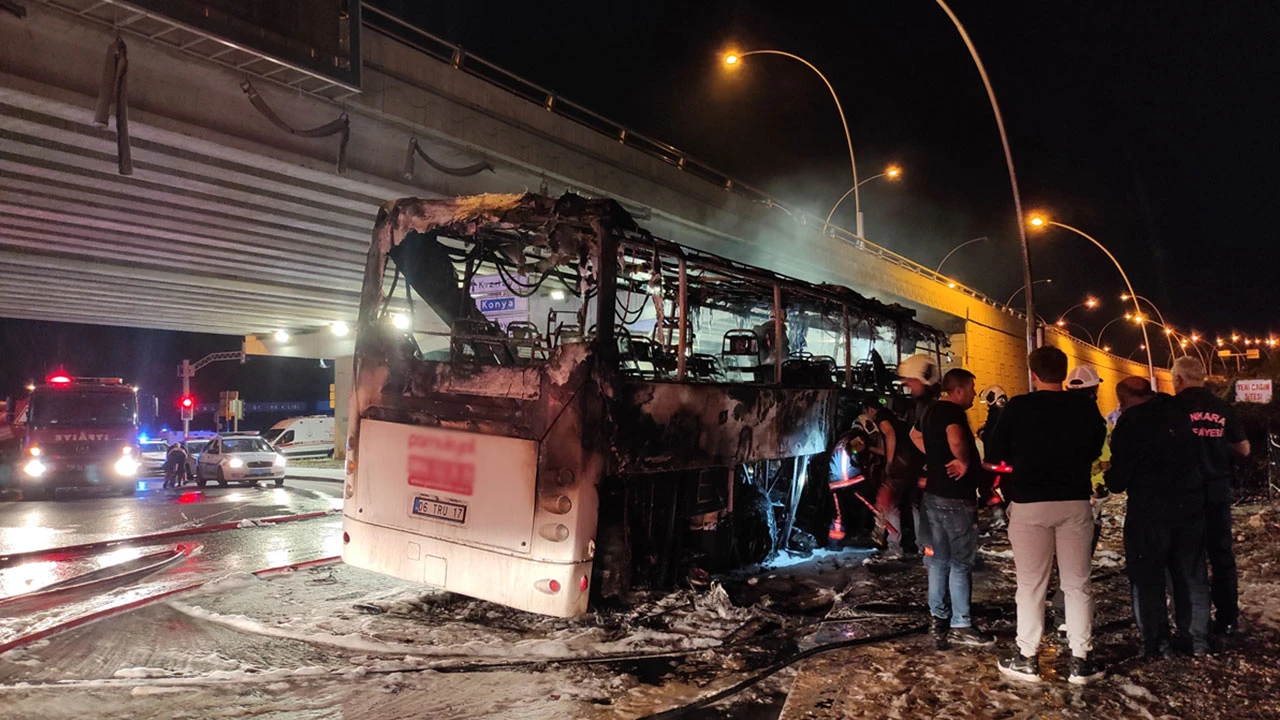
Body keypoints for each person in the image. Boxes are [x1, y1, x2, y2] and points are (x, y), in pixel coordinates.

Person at [984, 347, 1106, 684]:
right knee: (1077, 583)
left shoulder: (1019, 407)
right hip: (1075, 503)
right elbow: (1097, 446)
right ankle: (1081, 660)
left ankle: (1027, 657)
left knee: (1031, 585)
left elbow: (995, 453)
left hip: (1029, 505)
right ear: (1064, 374)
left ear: (1033, 374)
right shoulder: (1084, 407)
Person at [1106, 376, 1212, 657]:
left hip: (1149, 511)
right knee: (1190, 573)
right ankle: (1197, 639)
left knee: (1147, 577)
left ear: (1125, 398)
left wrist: (1107, 477)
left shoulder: (1129, 425)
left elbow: (1119, 479)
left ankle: (1157, 642)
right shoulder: (1180, 413)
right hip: (1189, 505)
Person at [910, 368, 995, 648]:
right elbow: (956, 438)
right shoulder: (953, 413)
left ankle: (938, 618)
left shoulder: (930, 410)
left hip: (933, 496)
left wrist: (935, 456)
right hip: (956, 499)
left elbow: (914, 435)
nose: (973, 393)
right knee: (960, 563)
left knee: (939, 561)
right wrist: (961, 460)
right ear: (958, 390)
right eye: (971, 388)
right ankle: (961, 623)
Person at [1172, 356, 1250, 636]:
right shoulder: (1222, 407)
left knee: (1188, 557)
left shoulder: (1173, 407)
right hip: (1217, 489)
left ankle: (1194, 622)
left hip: (1184, 492)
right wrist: (1218, 449)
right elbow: (1244, 450)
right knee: (1221, 554)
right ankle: (1228, 617)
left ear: (1179, 379)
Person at [874, 354, 940, 556]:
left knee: (918, 509)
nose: (908, 387)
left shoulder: (932, 409)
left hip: (925, 471)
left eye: (911, 382)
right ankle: (921, 548)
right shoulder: (921, 406)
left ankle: (924, 548)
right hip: (917, 469)